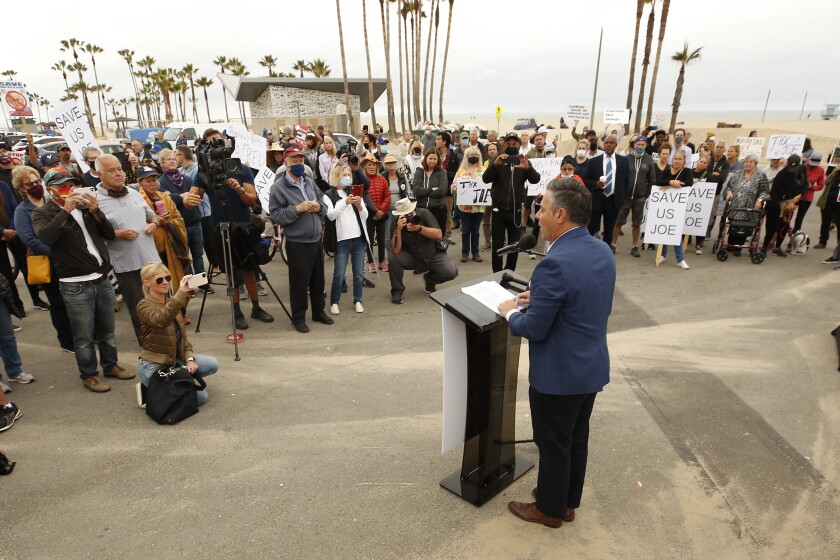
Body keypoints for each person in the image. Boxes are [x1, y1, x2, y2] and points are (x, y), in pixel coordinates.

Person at [498, 178, 615, 529]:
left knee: (552, 444)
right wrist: (543, 300)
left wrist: (509, 311)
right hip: (589, 369)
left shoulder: (554, 263)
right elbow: (582, 298)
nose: (537, 216)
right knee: (575, 440)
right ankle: (566, 502)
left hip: (558, 377)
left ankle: (548, 510)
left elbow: (532, 328)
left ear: (561, 214)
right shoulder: (602, 249)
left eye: (543, 209)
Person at [33, 169, 131, 393]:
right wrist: (65, 210)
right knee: (84, 336)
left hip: (102, 278)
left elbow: (107, 233)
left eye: (72, 185)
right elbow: (46, 238)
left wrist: (97, 212)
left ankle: (111, 365)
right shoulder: (44, 213)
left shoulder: (85, 208)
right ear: (51, 190)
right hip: (75, 284)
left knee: (107, 330)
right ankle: (89, 375)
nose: (69, 190)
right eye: (63, 186)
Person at [186, 129, 274, 330]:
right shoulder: (204, 172)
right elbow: (192, 198)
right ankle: (237, 312)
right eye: (211, 143)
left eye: (219, 141)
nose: (216, 146)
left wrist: (239, 189)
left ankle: (256, 308)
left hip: (243, 227)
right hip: (220, 229)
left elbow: (253, 201)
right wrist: (186, 199)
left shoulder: (241, 168)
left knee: (250, 271)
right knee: (232, 274)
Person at [94, 155, 162, 341]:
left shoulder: (133, 193)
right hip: (128, 267)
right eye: (112, 170)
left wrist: (154, 224)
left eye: (120, 169)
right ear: (100, 175)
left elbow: (153, 216)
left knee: (161, 305)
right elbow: (93, 237)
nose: (119, 174)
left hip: (152, 262)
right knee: (140, 310)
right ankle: (149, 347)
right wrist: (118, 234)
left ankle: (167, 341)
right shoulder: (95, 201)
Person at [268, 146, 333, 333]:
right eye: (294, 161)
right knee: (299, 282)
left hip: (315, 239)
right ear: (286, 163)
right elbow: (276, 215)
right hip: (297, 242)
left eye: (301, 161)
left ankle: (318, 312)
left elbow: (323, 202)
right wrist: (297, 209)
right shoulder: (278, 188)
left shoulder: (309, 182)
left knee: (318, 280)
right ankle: (298, 317)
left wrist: (317, 208)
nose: (299, 164)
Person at [137, 263, 219, 406]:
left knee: (213, 364)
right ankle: (150, 388)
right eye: (159, 280)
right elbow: (161, 320)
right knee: (201, 397)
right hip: (154, 366)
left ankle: (174, 382)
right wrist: (181, 292)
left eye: (167, 278)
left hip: (174, 360)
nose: (165, 282)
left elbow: (183, 338)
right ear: (147, 283)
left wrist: (189, 359)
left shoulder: (171, 302)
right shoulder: (143, 306)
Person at [11, 166, 74, 351]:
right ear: (22, 188)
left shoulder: (52, 201)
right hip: (48, 263)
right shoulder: (22, 211)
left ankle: (83, 334)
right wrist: (55, 251)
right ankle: (67, 341)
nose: (35, 186)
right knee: (59, 303)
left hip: (68, 260)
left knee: (76, 302)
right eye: (29, 184)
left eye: (37, 181)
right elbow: (29, 240)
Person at [483, 132, 541, 272]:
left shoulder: (523, 161)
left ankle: (509, 273)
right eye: (508, 144)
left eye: (514, 144)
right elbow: (486, 179)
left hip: (516, 210)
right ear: (503, 145)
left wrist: (528, 168)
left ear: (519, 145)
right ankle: (497, 274)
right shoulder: (498, 160)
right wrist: (495, 165)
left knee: (514, 245)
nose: (511, 146)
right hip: (498, 210)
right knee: (497, 245)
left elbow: (535, 179)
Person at [388, 198, 458, 304]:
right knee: (393, 259)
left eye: (410, 213)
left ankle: (430, 280)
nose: (409, 217)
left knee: (451, 271)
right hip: (412, 258)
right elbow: (396, 250)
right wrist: (398, 230)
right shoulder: (397, 223)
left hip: (433, 254)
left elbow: (438, 234)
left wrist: (419, 228)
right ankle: (397, 290)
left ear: (414, 209)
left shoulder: (424, 213)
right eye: (405, 215)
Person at [136, 166, 190, 290]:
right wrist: (156, 222)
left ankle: (177, 308)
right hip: (150, 251)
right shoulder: (137, 201)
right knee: (156, 284)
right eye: (147, 181)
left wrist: (169, 223)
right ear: (139, 182)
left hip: (170, 248)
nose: (152, 184)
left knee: (173, 280)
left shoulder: (165, 198)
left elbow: (179, 219)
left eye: (154, 180)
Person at [324, 164, 368, 315]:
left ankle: (358, 300)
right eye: (344, 175)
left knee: (358, 273)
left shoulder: (355, 192)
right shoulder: (329, 195)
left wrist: (360, 205)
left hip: (358, 239)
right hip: (341, 240)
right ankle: (334, 302)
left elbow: (365, 216)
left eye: (349, 174)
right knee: (339, 273)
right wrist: (345, 203)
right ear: (337, 176)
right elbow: (330, 215)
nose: (348, 177)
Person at [157, 150, 206, 282]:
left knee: (198, 255)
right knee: (184, 258)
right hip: (178, 227)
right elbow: (166, 203)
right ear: (162, 163)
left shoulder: (188, 179)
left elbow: (195, 196)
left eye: (174, 158)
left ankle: (201, 282)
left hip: (195, 222)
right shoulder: (160, 183)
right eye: (168, 159)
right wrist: (182, 196)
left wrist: (174, 197)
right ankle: (190, 285)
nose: (172, 161)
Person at [580, 135, 628, 250]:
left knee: (609, 230)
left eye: (611, 143)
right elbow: (585, 179)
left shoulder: (623, 161)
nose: (608, 145)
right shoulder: (594, 162)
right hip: (597, 199)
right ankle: (588, 250)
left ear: (616, 145)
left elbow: (627, 182)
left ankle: (606, 251)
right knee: (591, 228)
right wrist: (595, 184)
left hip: (613, 201)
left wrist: (621, 199)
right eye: (606, 142)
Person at [613, 136, 656, 257]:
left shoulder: (649, 160)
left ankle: (634, 246)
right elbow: (619, 178)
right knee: (618, 222)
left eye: (643, 145)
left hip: (639, 198)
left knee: (637, 223)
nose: (640, 147)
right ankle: (613, 244)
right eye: (638, 144)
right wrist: (620, 193)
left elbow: (652, 179)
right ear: (634, 145)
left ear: (646, 145)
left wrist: (646, 194)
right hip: (626, 197)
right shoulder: (626, 159)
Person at [762, 155, 808, 258]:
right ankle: (764, 247)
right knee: (771, 227)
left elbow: (805, 185)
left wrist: (800, 195)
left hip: (790, 204)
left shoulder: (802, 170)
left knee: (784, 227)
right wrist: (780, 206)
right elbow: (773, 192)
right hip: (776, 204)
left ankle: (777, 247)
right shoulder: (781, 174)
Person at [654, 150, 694, 269]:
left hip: (678, 206)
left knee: (675, 232)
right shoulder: (666, 171)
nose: (677, 161)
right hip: (665, 205)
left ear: (684, 161)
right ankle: (662, 254)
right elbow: (657, 182)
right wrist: (671, 182)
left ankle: (680, 259)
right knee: (665, 229)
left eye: (680, 159)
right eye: (675, 158)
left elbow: (689, 182)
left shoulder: (687, 171)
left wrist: (671, 185)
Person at [722, 154, 769, 254]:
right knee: (733, 225)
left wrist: (760, 200)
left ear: (755, 164)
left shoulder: (760, 175)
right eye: (746, 162)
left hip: (750, 208)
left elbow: (765, 191)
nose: (748, 164)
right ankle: (730, 245)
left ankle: (738, 247)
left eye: (751, 162)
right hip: (735, 207)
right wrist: (729, 192)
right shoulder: (737, 174)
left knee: (744, 226)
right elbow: (729, 186)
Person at [451, 146, 485, 262]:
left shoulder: (483, 171)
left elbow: (488, 186)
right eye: (471, 155)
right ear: (466, 157)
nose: (473, 157)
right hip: (464, 207)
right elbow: (453, 188)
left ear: (479, 157)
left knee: (475, 231)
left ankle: (476, 253)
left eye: (476, 155)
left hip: (478, 207)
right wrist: (458, 187)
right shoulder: (461, 171)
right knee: (465, 231)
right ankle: (465, 253)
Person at [412, 148, 448, 234]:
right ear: (426, 158)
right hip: (421, 209)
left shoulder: (442, 172)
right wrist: (431, 189)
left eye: (435, 159)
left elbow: (442, 190)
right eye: (430, 158)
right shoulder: (419, 172)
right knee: (423, 236)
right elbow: (416, 190)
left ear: (438, 160)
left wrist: (424, 193)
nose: (432, 161)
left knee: (438, 236)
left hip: (438, 210)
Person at [706, 141, 732, 237]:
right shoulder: (709, 159)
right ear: (714, 148)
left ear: (724, 150)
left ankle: (707, 232)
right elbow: (704, 173)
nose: (719, 149)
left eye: (721, 147)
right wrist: (713, 174)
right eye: (717, 147)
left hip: (715, 192)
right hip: (703, 192)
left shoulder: (726, 163)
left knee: (712, 214)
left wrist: (710, 175)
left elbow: (722, 178)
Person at [794, 152, 824, 233]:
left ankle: (795, 234)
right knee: (788, 215)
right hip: (796, 194)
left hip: (807, 197)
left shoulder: (821, 170)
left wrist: (812, 187)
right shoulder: (802, 167)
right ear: (809, 159)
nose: (813, 165)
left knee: (800, 218)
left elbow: (821, 185)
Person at [815, 167, 840, 250]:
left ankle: (838, 246)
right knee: (825, 222)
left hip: (838, 204)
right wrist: (835, 171)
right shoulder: (836, 172)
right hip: (828, 201)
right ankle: (822, 241)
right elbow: (827, 182)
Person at [481, 143, 499, 251]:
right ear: (487, 152)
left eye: (494, 149)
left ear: (497, 150)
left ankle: (501, 241)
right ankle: (487, 241)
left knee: (498, 220)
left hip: (497, 196)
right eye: (490, 150)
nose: (492, 151)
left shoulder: (502, 162)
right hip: (486, 195)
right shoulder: (485, 164)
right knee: (486, 221)